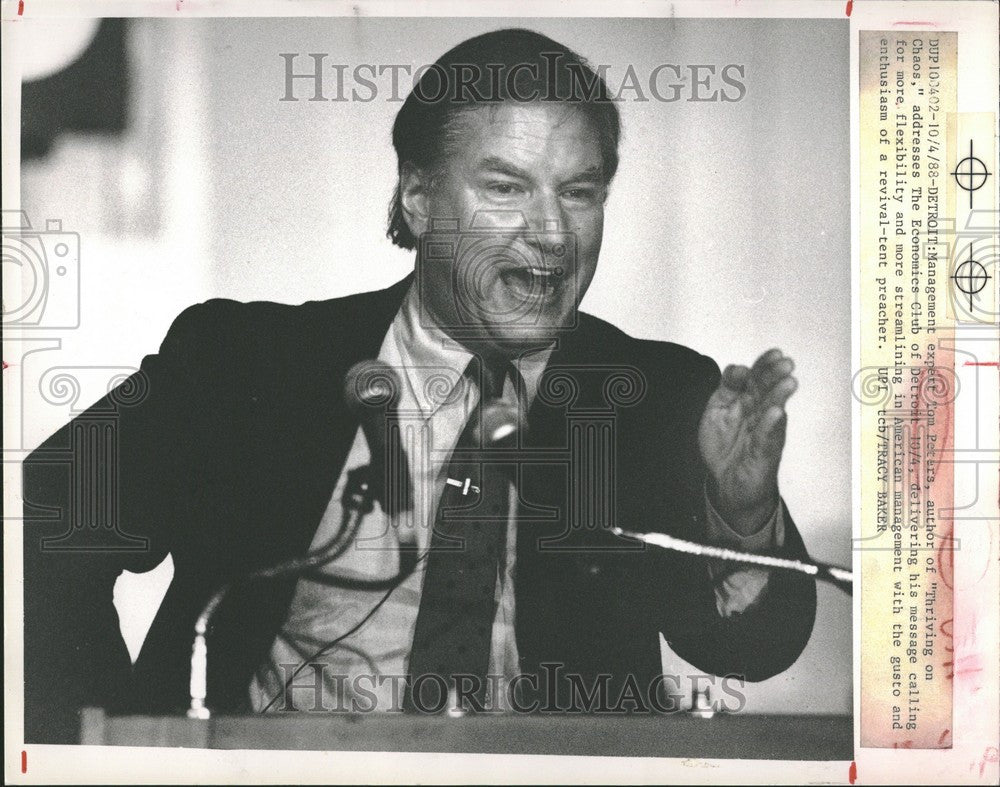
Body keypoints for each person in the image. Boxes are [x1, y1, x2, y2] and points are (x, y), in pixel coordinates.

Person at [22, 28, 816, 744]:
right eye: (506, 187)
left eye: (579, 192)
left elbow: (749, 650)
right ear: (419, 197)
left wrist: (740, 516)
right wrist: (106, 738)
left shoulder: (656, 394)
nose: (551, 233)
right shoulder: (243, 360)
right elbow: (52, 507)